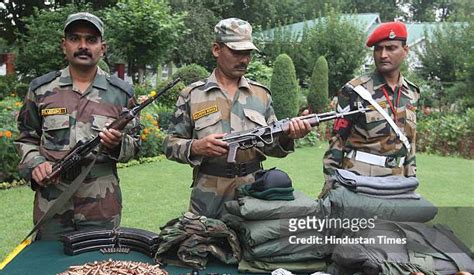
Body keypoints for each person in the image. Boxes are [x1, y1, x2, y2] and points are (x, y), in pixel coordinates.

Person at [164, 18, 311, 219]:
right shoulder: (192, 95)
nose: (244, 60)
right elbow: (170, 144)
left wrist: (288, 136)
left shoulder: (261, 95)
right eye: (237, 52)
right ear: (216, 49)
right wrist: (196, 147)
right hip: (208, 193)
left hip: (254, 190)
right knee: (204, 248)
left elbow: (272, 147)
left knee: (252, 247)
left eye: (248, 53)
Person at [15, 12, 140, 240]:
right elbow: (26, 138)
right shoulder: (41, 90)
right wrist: (36, 164)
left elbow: (136, 145)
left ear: (102, 48)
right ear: (64, 45)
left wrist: (117, 144)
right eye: (75, 38)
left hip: (102, 205)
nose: (83, 46)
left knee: (98, 272)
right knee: (47, 268)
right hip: (52, 204)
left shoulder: (122, 93)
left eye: (91, 40)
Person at [321, 21, 420, 197]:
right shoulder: (354, 91)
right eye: (378, 49)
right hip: (359, 178)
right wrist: (331, 187)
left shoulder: (412, 93)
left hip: (398, 182)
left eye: (391, 48)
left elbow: (410, 141)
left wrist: (411, 178)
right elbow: (337, 141)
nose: (383, 55)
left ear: (405, 51)